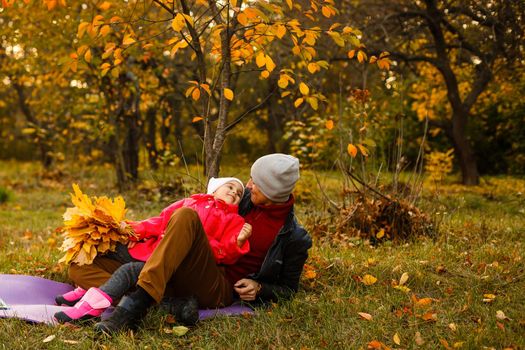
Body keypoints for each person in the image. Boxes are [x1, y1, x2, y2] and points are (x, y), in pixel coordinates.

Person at [64, 153, 311, 334]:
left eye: (255, 184)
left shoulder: (293, 236)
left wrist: (260, 288)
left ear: (273, 193)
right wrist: (128, 229)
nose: (246, 187)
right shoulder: (241, 197)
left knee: (185, 217)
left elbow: (288, 289)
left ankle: (130, 310)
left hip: (218, 285)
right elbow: (183, 214)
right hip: (177, 270)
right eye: (249, 179)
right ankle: (170, 304)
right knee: (79, 267)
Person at [54, 177, 252, 324]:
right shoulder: (189, 202)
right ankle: (167, 304)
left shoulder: (235, 221)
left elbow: (223, 255)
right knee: (80, 266)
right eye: (230, 187)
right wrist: (135, 231)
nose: (234, 192)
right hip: (155, 261)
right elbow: (159, 221)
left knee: (132, 268)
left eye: (239, 193)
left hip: (184, 269)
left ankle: (104, 304)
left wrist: (238, 241)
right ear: (214, 189)